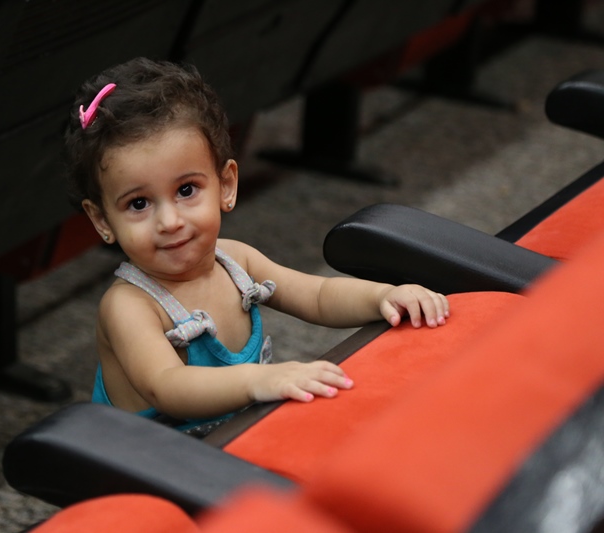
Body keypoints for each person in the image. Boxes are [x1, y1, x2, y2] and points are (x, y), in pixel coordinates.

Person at [64, 57, 450, 434]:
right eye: (138, 204)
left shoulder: (236, 261)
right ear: (102, 220)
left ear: (226, 185)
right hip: (147, 463)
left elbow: (317, 296)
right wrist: (257, 380)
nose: (170, 221)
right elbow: (166, 385)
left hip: (235, 441)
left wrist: (382, 297)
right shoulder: (129, 306)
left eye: (186, 190)